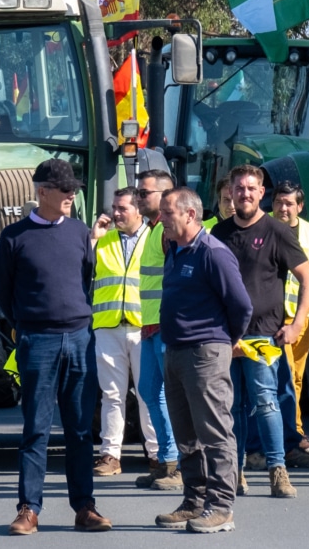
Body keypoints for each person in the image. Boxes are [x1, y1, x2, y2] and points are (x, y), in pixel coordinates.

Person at [0, 159, 110, 534]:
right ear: (42, 191)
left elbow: (86, 279)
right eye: (64, 189)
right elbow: (5, 295)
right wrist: (30, 327)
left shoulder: (79, 232)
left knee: (80, 430)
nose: (71, 195)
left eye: (74, 189)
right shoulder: (14, 237)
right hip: (37, 340)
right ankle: (29, 509)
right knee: (36, 428)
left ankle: (85, 507)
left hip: (80, 338)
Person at [211, 165, 309, 499]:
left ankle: (277, 471)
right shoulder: (217, 234)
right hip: (226, 336)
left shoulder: (277, 232)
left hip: (263, 336)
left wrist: (297, 323)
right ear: (231, 193)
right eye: (238, 189)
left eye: (251, 189)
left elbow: (308, 279)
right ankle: (236, 470)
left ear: (261, 193)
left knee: (267, 402)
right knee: (233, 406)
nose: (244, 194)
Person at [154, 187, 251, 534]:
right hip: (176, 352)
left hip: (205, 352)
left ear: (190, 215)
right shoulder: (175, 250)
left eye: (168, 213)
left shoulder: (213, 253)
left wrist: (225, 341)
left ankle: (221, 507)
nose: (161, 219)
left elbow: (241, 306)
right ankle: (194, 500)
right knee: (186, 434)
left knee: (214, 431)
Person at [88, 188, 159, 478]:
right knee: (111, 395)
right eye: (114, 207)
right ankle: (110, 455)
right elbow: (83, 268)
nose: (115, 213)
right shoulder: (102, 239)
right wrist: (93, 238)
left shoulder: (154, 238)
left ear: (138, 210)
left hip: (144, 327)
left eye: (122, 208)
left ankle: (157, 455)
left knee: (149, 394)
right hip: (108, 326)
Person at [131, 169, 182, 491]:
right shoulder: (153, 229)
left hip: (165, 326)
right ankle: (166, 460)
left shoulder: (166, 232)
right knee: (149, 391)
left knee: (171, 396)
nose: (138, 197)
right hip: (149, 326)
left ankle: (177, 465)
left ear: (165, 195)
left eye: (144, 193)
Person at [270, 181, 309, 456]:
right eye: (279, 202)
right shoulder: (264, 226)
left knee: (298, 378)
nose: (283, 208)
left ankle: (292, 429)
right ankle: (292, 434)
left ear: (300, 207)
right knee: (284, 378)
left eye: (289, 203)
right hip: (276, 317)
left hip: (303, 316)